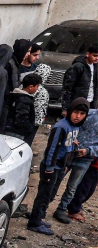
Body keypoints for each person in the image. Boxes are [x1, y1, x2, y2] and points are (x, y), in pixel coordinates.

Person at [27, 98, 89, 235]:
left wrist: (73, 147)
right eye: (76, 112)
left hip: (61, 167)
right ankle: (34, 222)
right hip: (52, 167)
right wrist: (49, 169)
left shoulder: (75, 127)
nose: (78, 116)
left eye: (82, 114)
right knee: (43, 195)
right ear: (71, 111)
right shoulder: (61, 127)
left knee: (51, 194)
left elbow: (67, 146)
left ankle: (39, 217)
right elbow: (52, 150)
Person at [54, 109, 98, 223]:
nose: (79, 115)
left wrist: (88, 151)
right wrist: (73, 138)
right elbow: (71, 124)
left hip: (86, 159)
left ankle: (61, 209)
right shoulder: (88, 113)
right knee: (56, 180)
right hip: (69, 153)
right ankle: (42, 208)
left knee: (72, 186)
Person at [4, 73, 43, 142]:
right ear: (31, 87)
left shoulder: (14, 96)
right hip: (17, 132)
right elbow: (21, 118)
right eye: (37, 86)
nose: (37, 89)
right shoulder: (24, 100)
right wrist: (29, 129)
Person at [61, 44, 98, 114]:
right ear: (88, 54)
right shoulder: (77, 67)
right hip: (77, 103)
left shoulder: (96, 67)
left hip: (91, 103)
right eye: (95, 56)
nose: (97, 58)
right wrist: (65, 108)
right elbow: (67, 88)